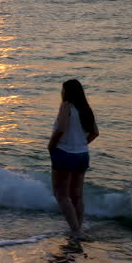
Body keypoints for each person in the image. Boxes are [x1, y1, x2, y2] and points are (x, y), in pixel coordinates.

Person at [48, 79, 100, 238]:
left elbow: (62, 128)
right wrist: (82, 144)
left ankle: (75, 230)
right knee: (77, 194)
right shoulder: (86, 109)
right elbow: (95, 132)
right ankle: (79, 228)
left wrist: (51, 145)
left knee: (61, 195)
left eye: (62, 90)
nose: (61, 93)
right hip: (82, 155)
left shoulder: (66, 106)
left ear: (66, 92)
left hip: (64, 152)